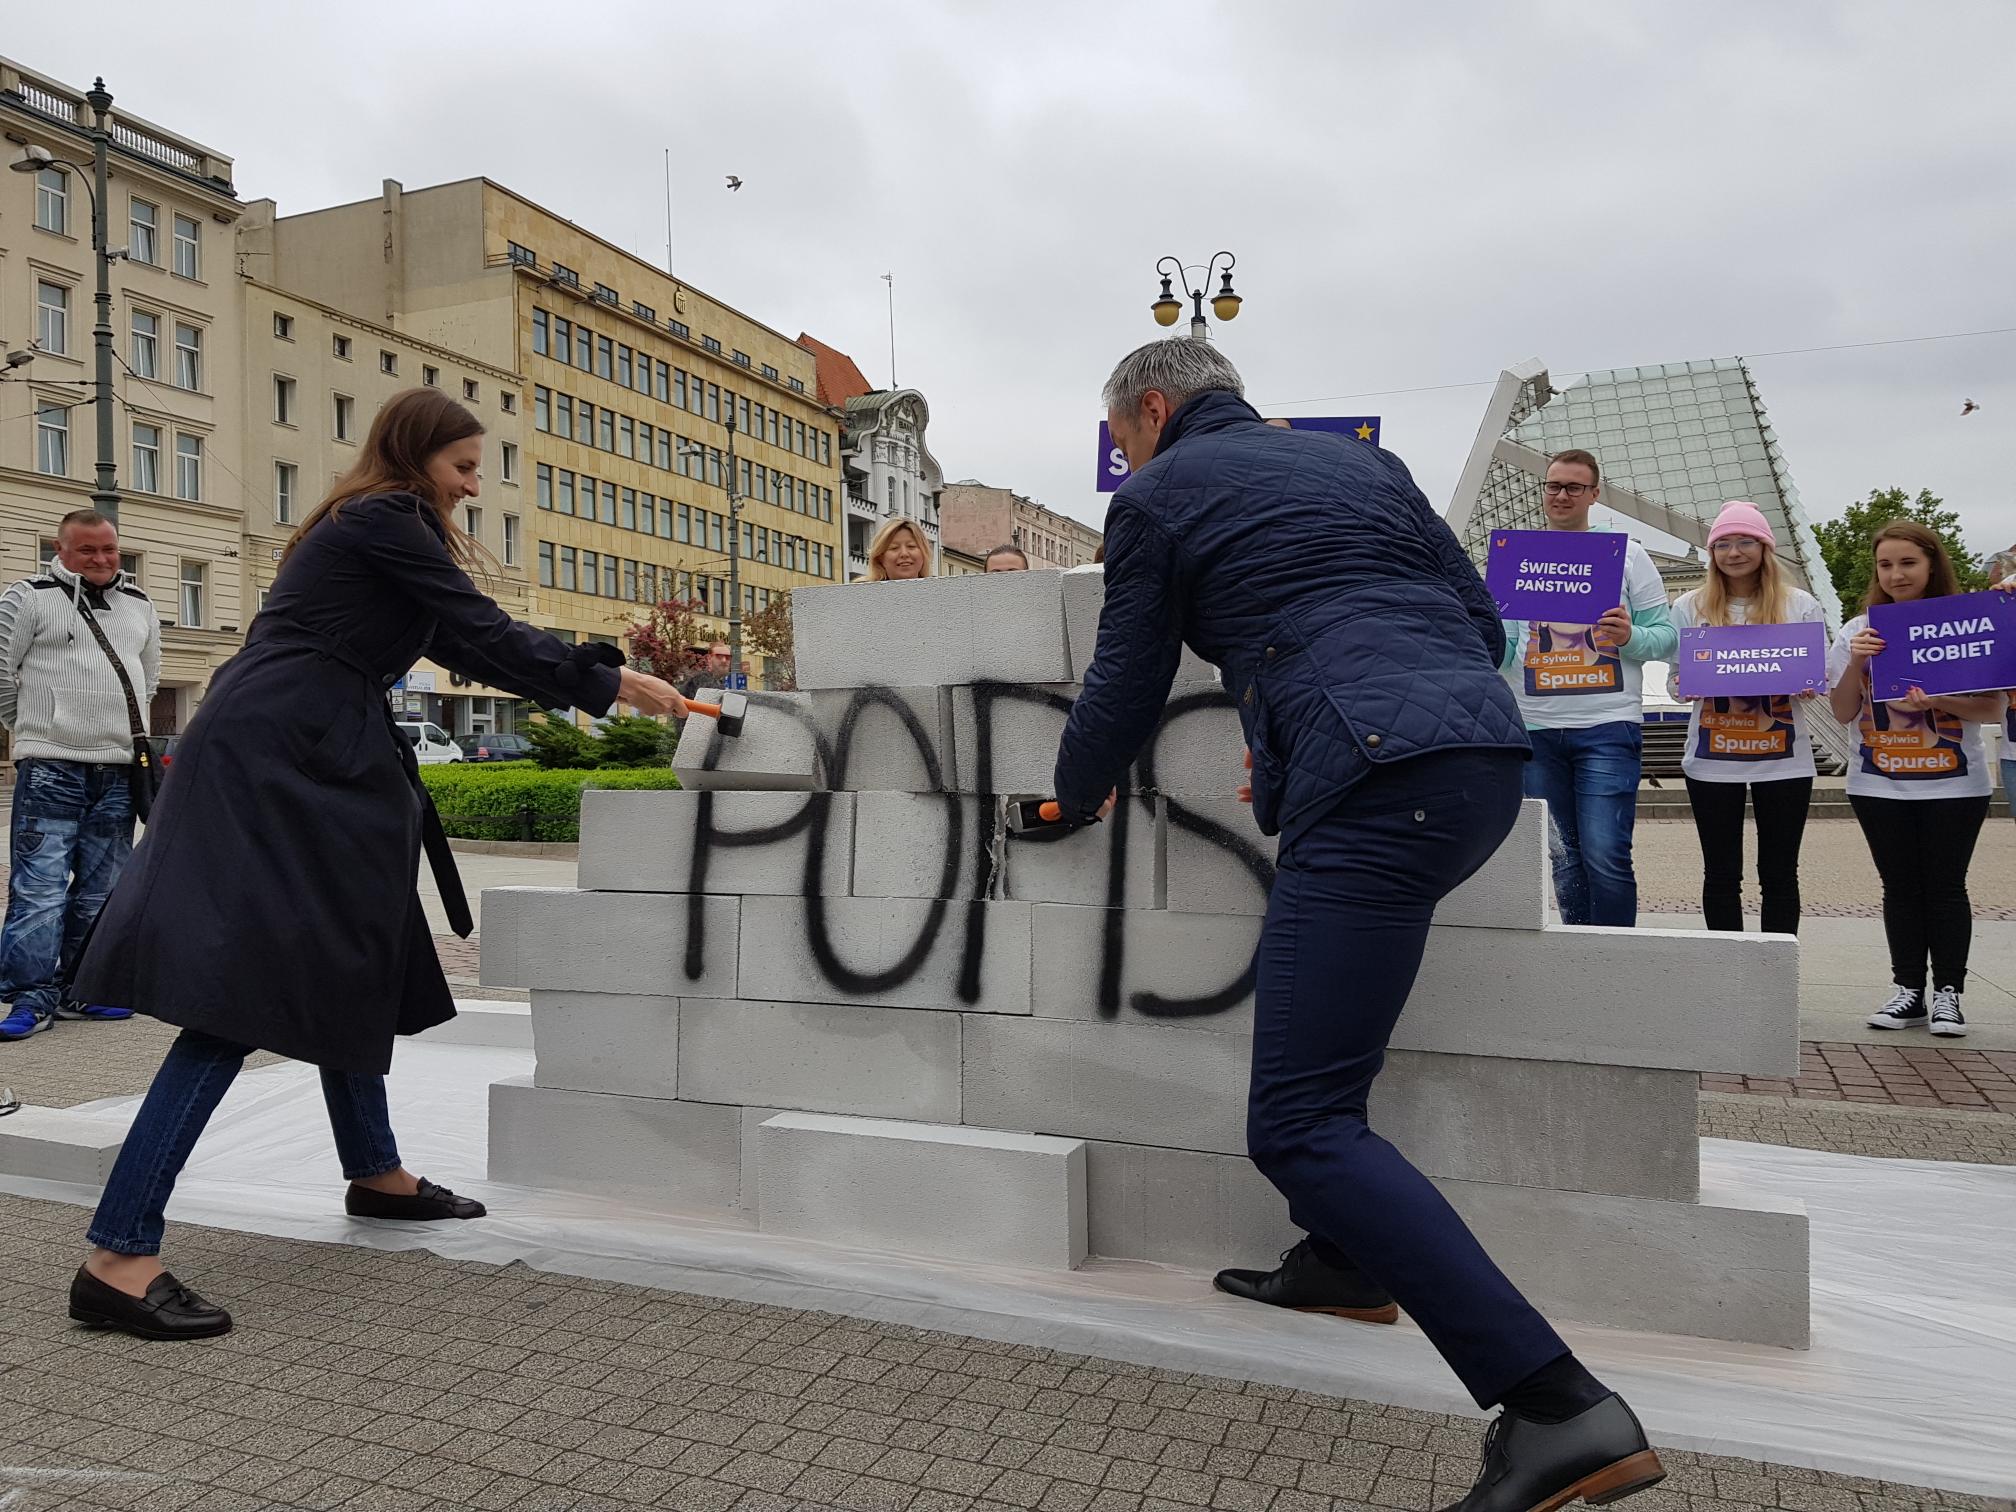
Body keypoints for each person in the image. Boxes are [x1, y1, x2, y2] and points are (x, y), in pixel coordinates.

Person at [1051, 339, 1664, 1510]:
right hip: (1482, 761)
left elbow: (1124, 678)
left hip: (1383, 784)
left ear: (1156, 407)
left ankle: (1557, 1407)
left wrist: (1069, 797)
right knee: (1326, 1049)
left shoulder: (1159, 495)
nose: (1122, 452)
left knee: (1299, 1122)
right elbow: (1477, 616)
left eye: (1122, 431)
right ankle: (1340, 1262)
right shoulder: (1364, 472)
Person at [63, 389, 684, 1341]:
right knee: (239, 998)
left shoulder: (379, 527)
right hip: (284, 753)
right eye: (465, 469)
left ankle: (375, 1170)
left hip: (314, 746)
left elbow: (460, 640)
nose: (473, 489)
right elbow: (477, 630)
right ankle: (118, 1255)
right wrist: (604, 682)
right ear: (416, 454)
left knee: (354, 957)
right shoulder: (387, 517)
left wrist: (587, 677)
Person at [1828, 520, 2004, 1038]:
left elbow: (1993, 708)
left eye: (1908, 563)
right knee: (1900, 888)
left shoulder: (1966, 623)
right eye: (1886, 564)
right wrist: (1856, 664)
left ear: (1932, 565)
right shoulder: (1859, 630)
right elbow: (1840, 713)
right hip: (1879, 781)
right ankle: (1908, 990)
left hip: (1955, 782)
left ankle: (1949, 993)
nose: (1897, 574)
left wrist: (1938, 699)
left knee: (1946, 888)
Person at [0, 511, 159, 1042]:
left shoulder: (139, 605)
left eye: (109, 549)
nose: (101, 559)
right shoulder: (28, 597)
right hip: (50, 764)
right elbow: (1, 672)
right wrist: (32, 728)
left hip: (116, 770)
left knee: (102, 890)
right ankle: (30, 995)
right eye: (88, 550)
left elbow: (149, 680)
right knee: (39, 888)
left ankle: (80, 988)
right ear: (61, 549)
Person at [1503, 450, 1675, 927]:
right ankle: (1581, 960)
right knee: (1563, 859)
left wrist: (1630, 636)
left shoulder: (1627, 554)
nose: (1561, 495)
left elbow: (1666, 637)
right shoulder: (1517, 554)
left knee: (1606, 856)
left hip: (1607, 724)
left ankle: (1616, 958)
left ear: (1594, 495)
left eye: (1573, 487)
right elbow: (1506, 648)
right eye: (1554, 485)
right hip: (1535, 726)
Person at [1667, 502, 1827, 934]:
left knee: (1780, 874)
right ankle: (1727, 969)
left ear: (1764, 548)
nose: (1733, 552)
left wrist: (1810, 684)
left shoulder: (1800, 604)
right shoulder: (1689, 606)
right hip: (1712, 760)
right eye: (1723, 544)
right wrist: (1686, 686)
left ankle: (1775, 968)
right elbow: (1674, 682)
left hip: (1784, 761)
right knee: (1721, 874)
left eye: (1744, 542)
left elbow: (1820, 675)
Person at [864, 518, 932, 581]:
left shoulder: (937, 591)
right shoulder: (862, 592)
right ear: (880, 557)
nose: (904, 554)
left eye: (911, 546)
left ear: (924, 552)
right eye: (894, 548)